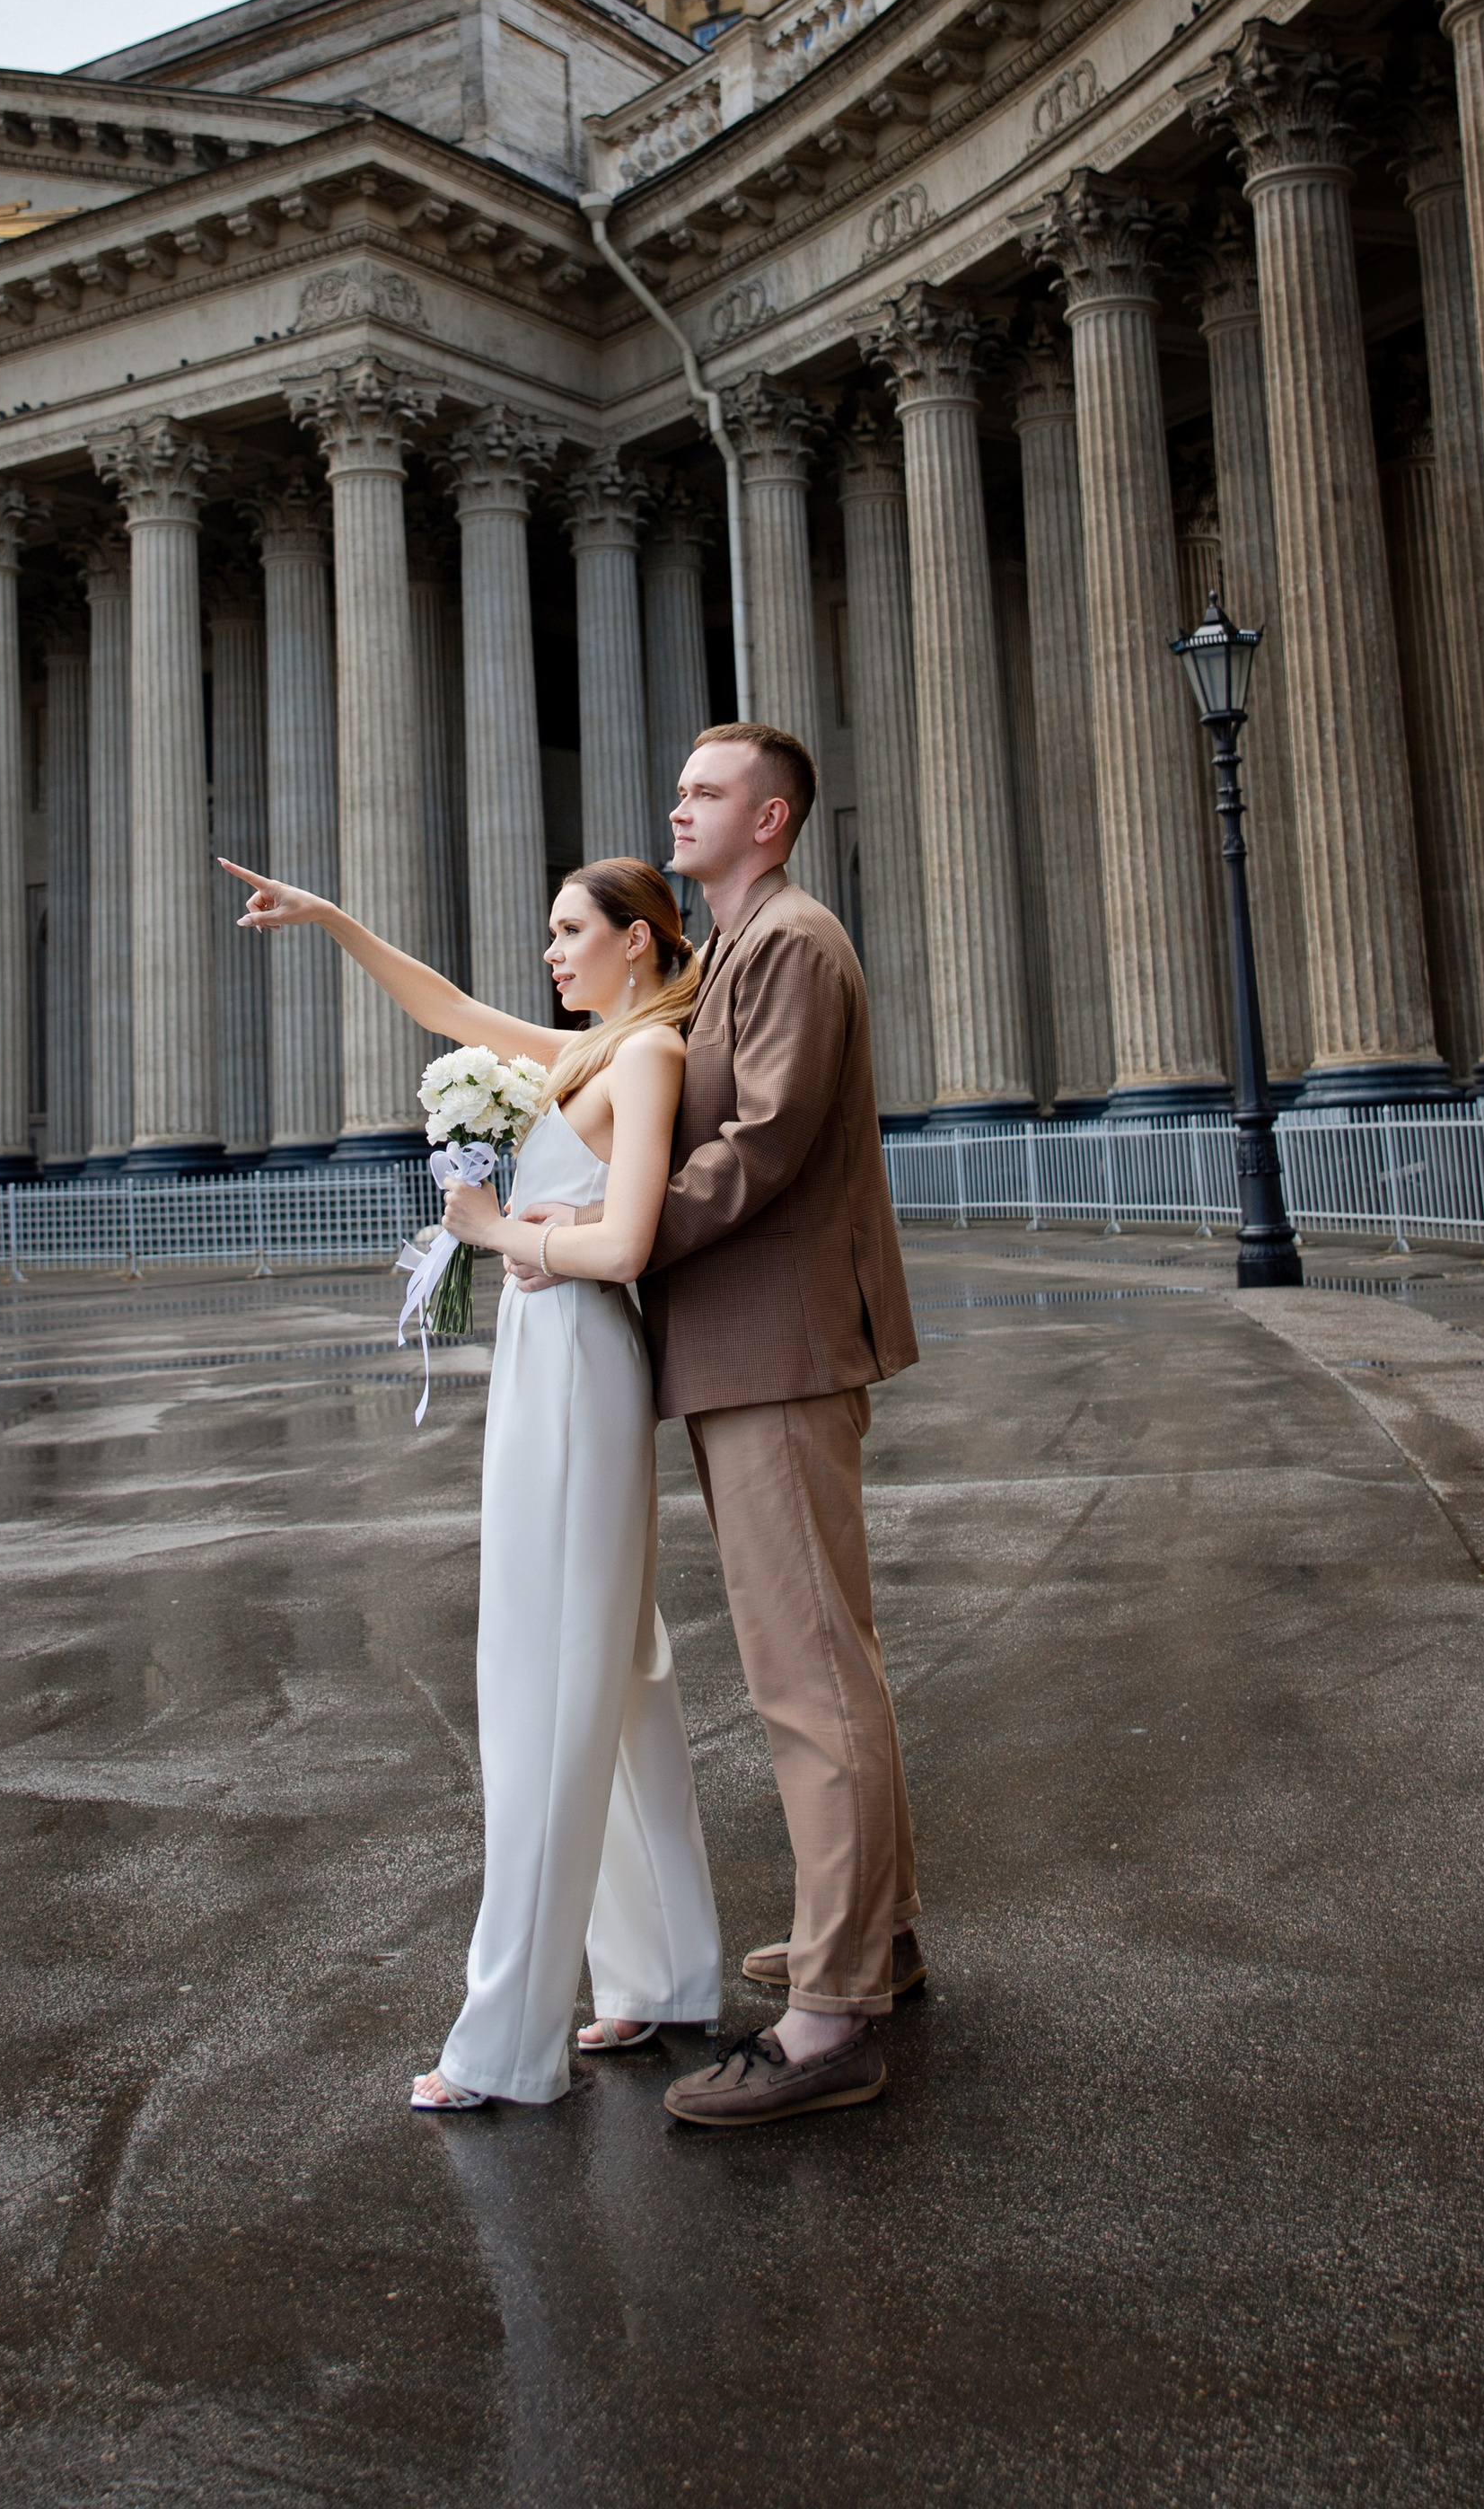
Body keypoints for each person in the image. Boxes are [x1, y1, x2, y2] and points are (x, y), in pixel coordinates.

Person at [224, 851, 723, 2112]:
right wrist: (336, 918)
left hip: (577, 1375)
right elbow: (443, 1007)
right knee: (616, 1669)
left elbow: (627, 1240)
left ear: (640, 942)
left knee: (545, 1683)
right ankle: (664, 1975)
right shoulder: (586, 1052)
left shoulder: (647, 1058)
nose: (551, 953)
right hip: (546, 1369)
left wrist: (494, 1229)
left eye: (570, 931)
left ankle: (507, 2045)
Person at [507, 721, 922, 2126]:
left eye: (706, 791)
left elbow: (762, 1147)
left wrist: (597, 1226)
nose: (676, 806)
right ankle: (876, 1938)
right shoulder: (745, 949)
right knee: (829, 1658)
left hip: (779, 1346)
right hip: (753, 1345)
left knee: (806, 1677)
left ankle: (829, 2021)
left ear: (774, 819)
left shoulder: (794, 942)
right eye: (676, 787)